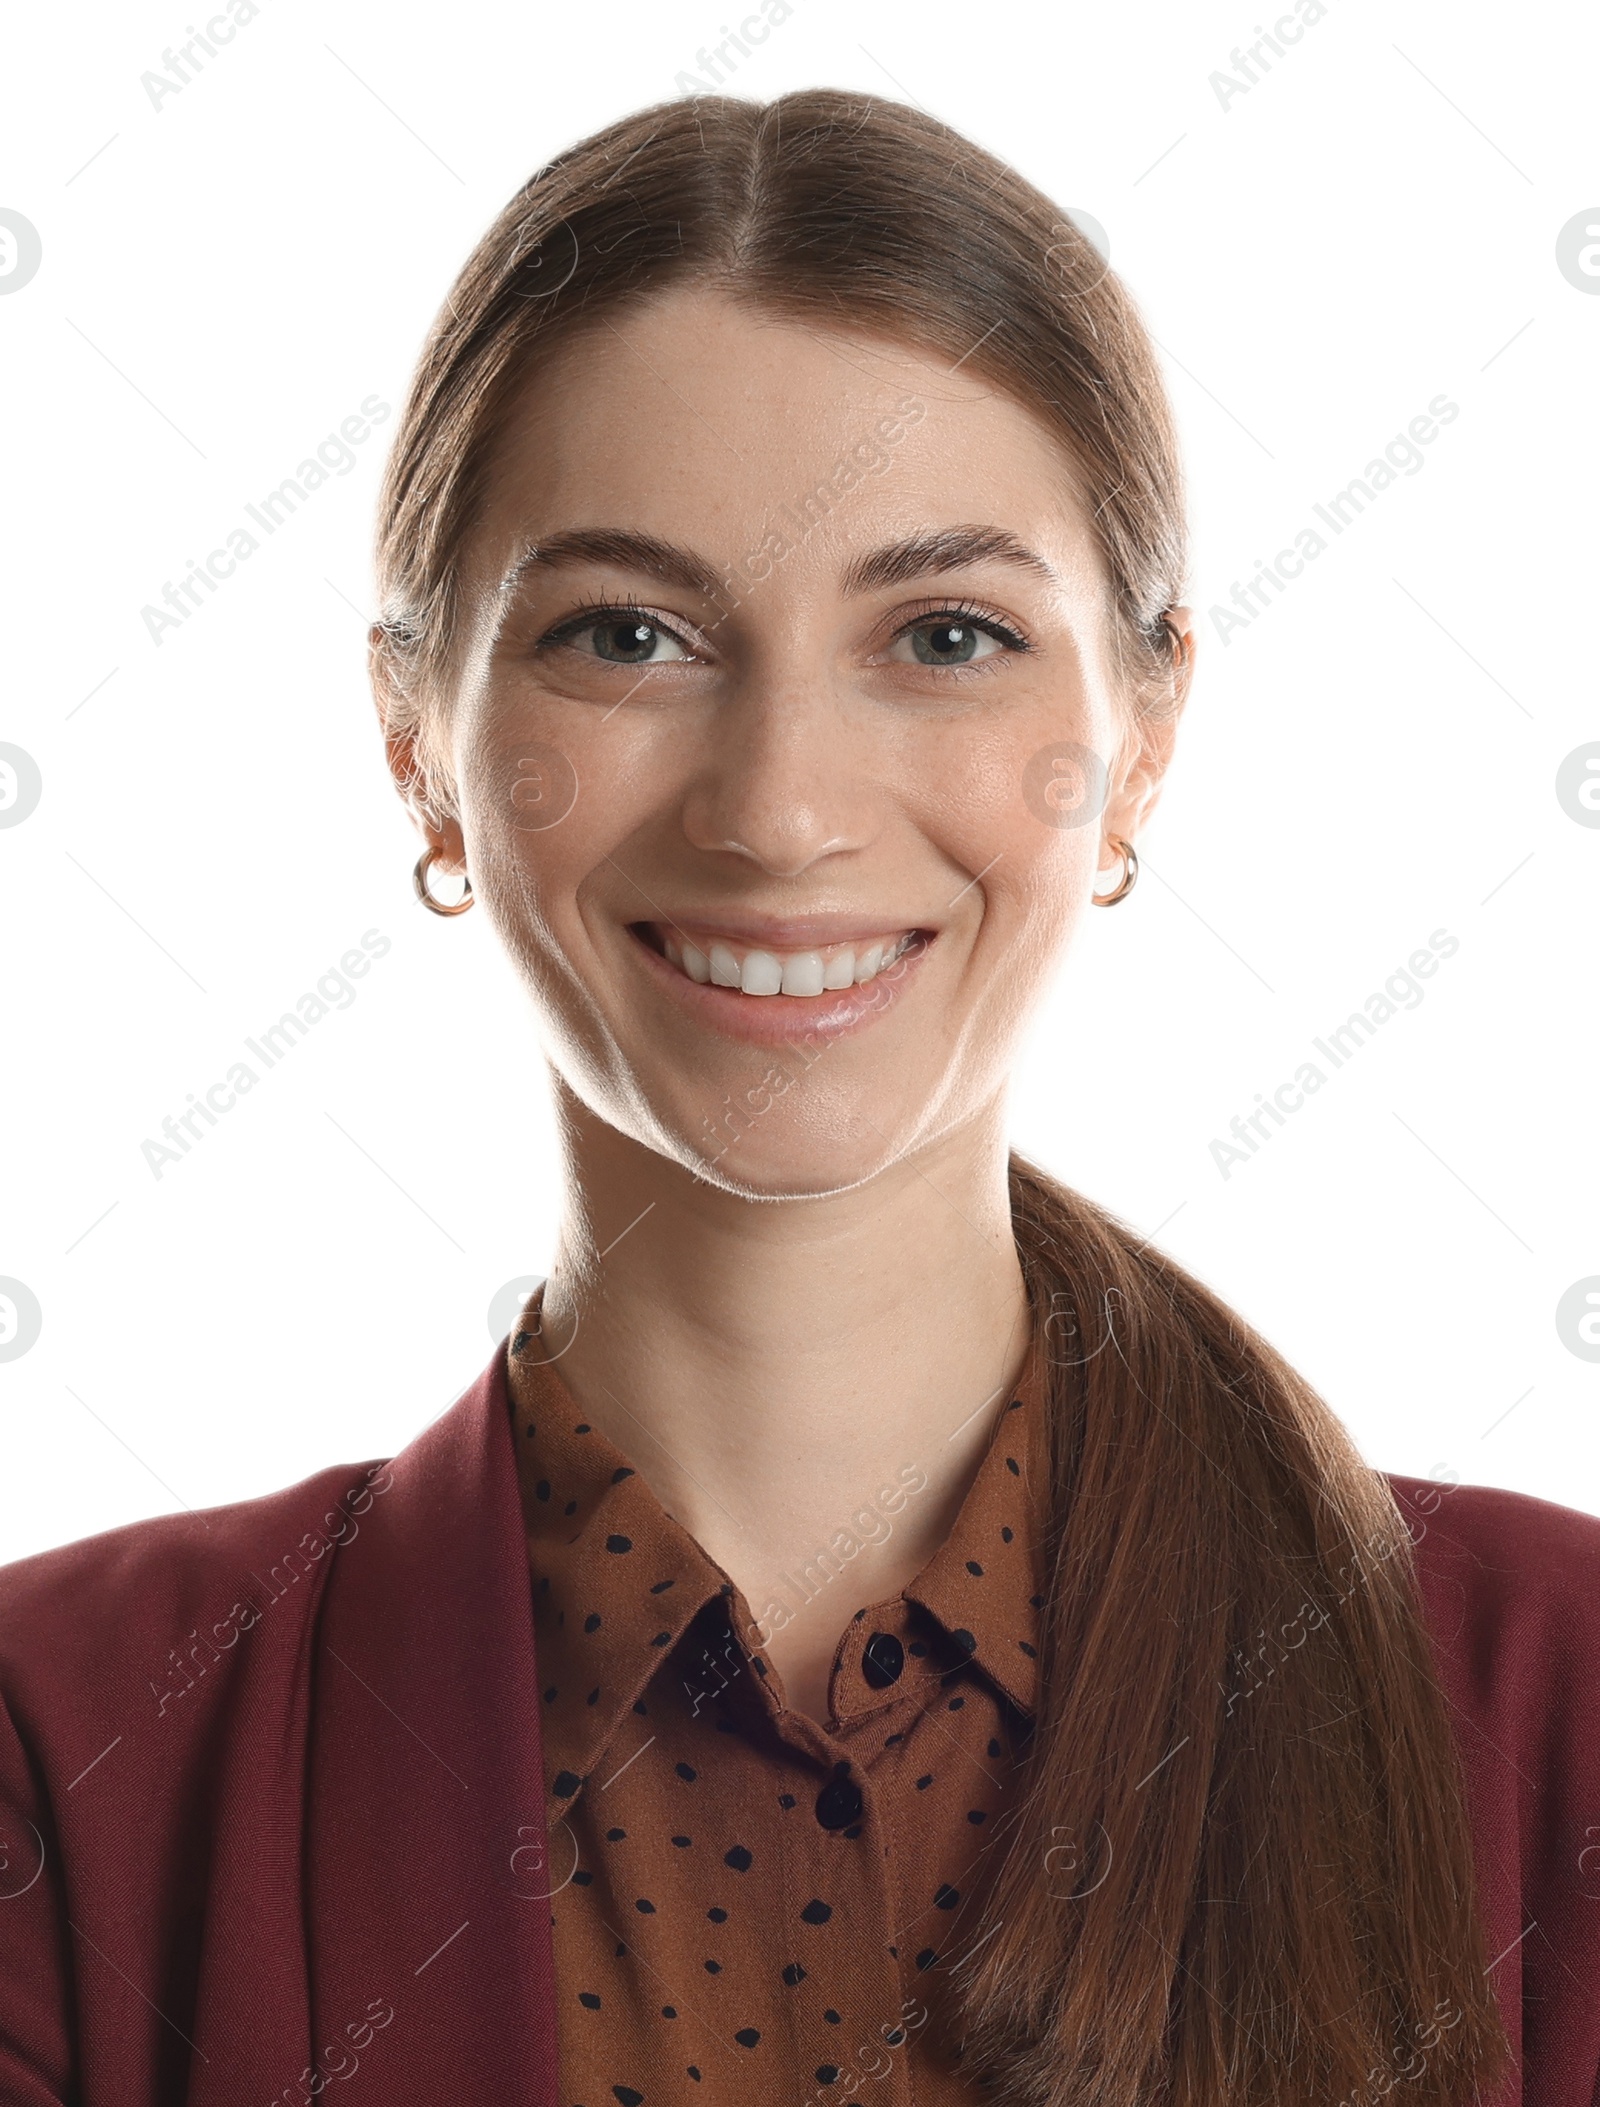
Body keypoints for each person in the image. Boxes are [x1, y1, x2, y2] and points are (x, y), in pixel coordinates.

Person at [2, 88, 1597, 2107]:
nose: (776, 811)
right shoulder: (67, 1768)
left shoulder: (1558, 1718)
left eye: (942, 636)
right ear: (415, 728)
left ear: (1143, 728)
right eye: (626, 636)